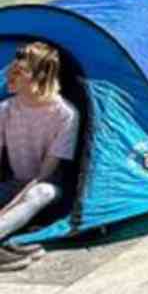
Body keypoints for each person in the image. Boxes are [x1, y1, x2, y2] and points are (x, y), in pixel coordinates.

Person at [0, 42, 79, 270]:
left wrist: (7, 209)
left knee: (40, 192)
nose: (9, 77)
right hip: (13, 183)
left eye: (17, 72)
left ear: (40, 76)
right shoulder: (5, 110)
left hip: (47, 186)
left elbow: (45, 174)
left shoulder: (65, 115)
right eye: (9, 71)